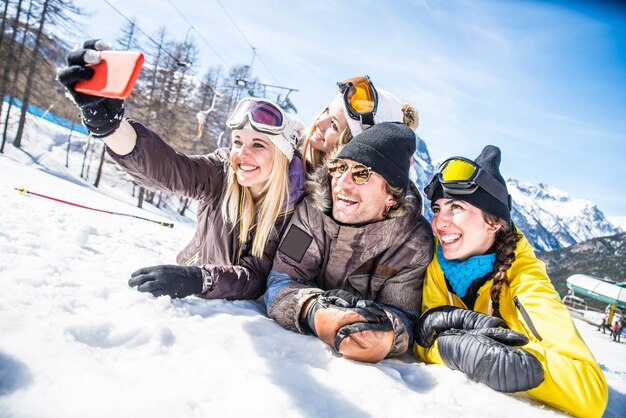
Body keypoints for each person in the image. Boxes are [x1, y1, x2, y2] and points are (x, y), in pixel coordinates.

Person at [58, 40, 306, 300]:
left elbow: (256, 278)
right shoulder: (222, 174)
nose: (242, 154)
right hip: (193, 287)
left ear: (282, 156)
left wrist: (201, 280)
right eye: (237, 142)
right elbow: (169, 169)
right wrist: (111, 129)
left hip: (238, 313)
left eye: (258, 145)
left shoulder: (301, 212)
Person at [412, 145, 608, 417]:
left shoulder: (524, 276)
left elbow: (589, 390)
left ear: (493, 222)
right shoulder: (437, 259)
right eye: (437, 208)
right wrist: (447, 347)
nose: (439, 223)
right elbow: (421, 341)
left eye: (456, 207)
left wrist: (486, 357)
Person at [264, 122, 434, 363]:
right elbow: (282, 279)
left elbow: (403, 314)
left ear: (392, 197)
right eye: (340, 167)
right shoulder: (310, 213)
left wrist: (382, 333)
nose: (342, 183)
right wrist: (313, 310)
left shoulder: (414, 244)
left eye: (361, 174)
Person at [301, 75, 418, 170]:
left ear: (352, 145)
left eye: (334, 125)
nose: (319, 123)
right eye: (327, 111)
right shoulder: (289, 154)